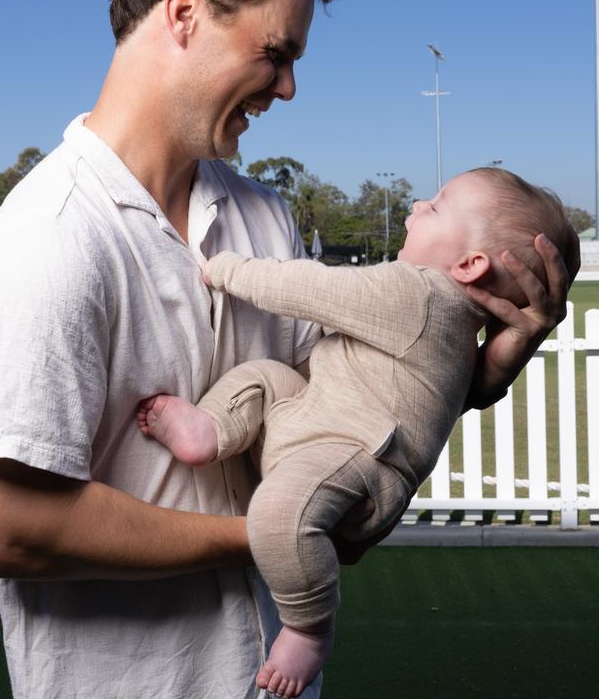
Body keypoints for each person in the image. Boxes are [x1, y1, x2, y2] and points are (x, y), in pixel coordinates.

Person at [0, 0, 575, 699]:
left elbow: (339, 416)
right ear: (183, 14)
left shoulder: (264, 216)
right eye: (276, 52)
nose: (287, 89)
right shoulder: (50, 237)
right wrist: (273, 534)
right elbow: (14, 533)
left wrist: (470, 381)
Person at [136, 168, 578, 699]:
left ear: (469, 264)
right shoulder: (457, 323)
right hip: (318, 425)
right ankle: (211, 426)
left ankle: (307, 627)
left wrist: (225, 269)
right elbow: (474, 391)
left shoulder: (418, 293)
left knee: (278, 515)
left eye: (435, 207)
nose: (416, 204)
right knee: (267, 379)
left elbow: (309, 287)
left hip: (352, 457)